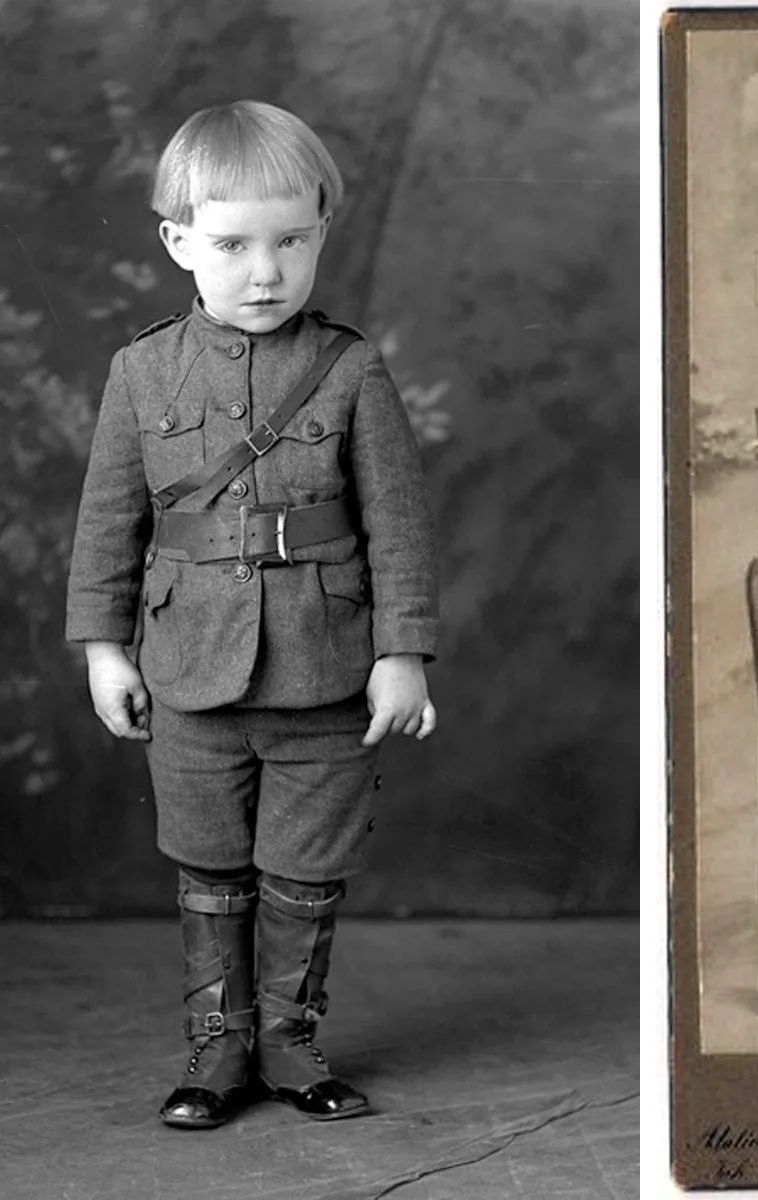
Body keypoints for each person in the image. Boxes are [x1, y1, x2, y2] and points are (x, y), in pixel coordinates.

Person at [65, 100, 439, 1127]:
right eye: (232, 244)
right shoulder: (141, 373)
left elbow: (398, 527)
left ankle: (290, 1044)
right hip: (187, 671)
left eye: (291, 241)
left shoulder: (352, 368)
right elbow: (108, 526)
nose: (264, 271)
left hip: (326, 671)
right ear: (179, 240)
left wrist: (402, 655)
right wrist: (104, 650)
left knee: (306, 870)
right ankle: (216, 1053)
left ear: (322, 230)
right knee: (209, 868)